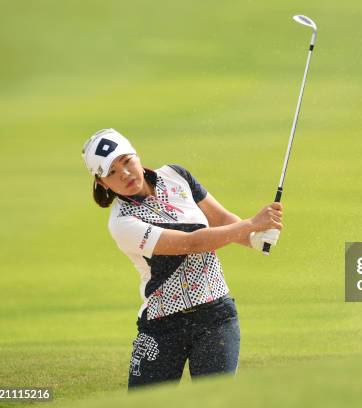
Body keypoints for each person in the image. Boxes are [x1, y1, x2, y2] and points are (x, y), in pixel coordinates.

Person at [81, 128, 282, 388]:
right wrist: (251, 224)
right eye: (112, 173)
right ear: (102, 183)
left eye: (127, 161)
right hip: (162, 324)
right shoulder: (122, 222)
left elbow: (220, 220)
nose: (126, 174)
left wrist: (256, 237)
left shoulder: (176, 175)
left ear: (136, 155)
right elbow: (191, 243)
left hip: (216, 315)